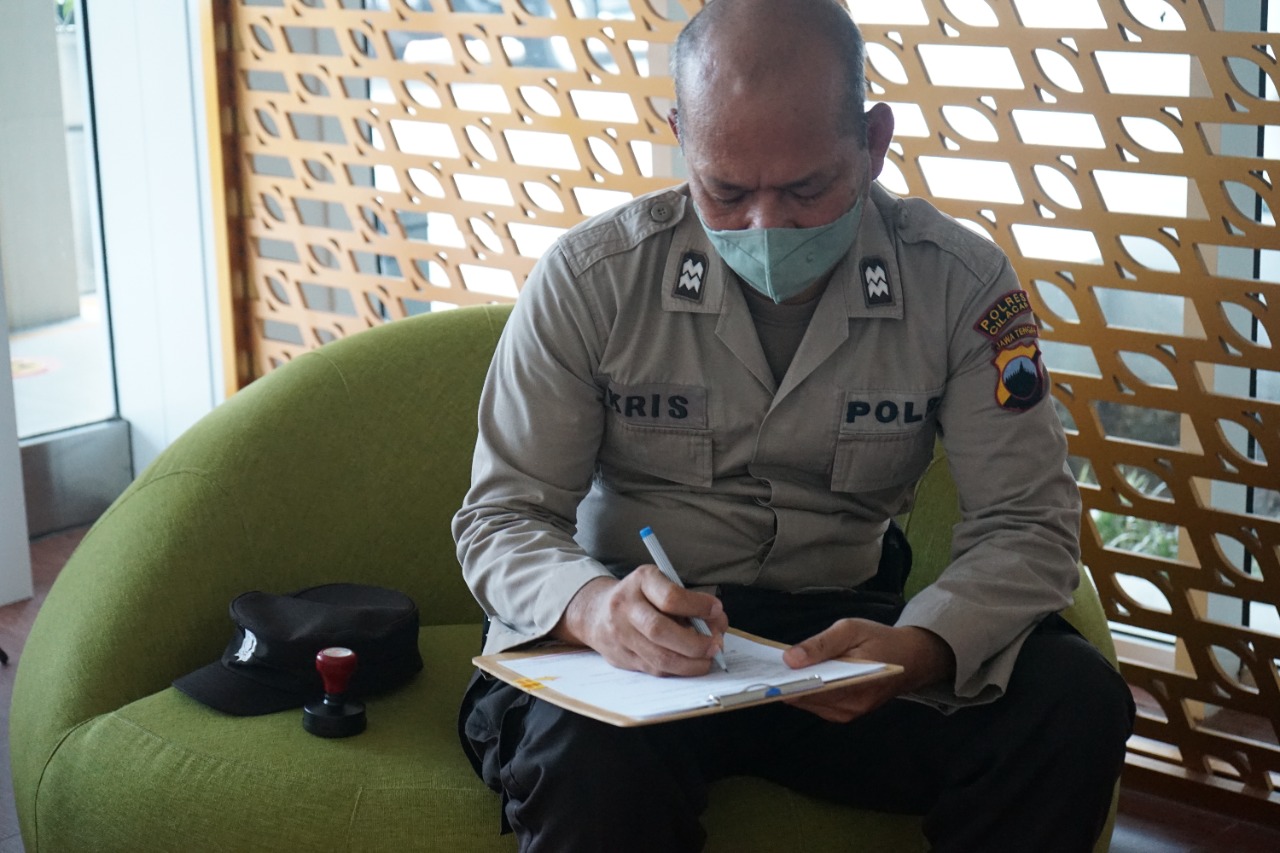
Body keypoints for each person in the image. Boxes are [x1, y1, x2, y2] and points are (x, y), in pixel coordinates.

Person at [453, 0, 1135, 849]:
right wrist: (594, 608)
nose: (765, 226)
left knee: (1075, 702)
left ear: (873, 143)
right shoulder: (594, 279)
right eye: (726, 190)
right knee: (587, 764)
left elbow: (1027, 522)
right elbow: (502, 517)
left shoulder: (958, 285)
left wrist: (921, 647)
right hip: (635, 644)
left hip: (839, 636)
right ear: (682, 137)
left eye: (808, 189)